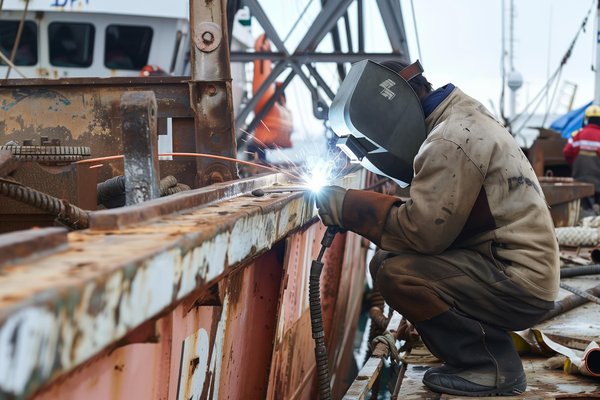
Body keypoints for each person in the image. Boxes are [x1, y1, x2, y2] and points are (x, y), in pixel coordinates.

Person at [316, 61, 559, 397]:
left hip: (517, 282)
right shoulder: (459, 115)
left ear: (399, 101)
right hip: (507, 267)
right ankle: (477, 352)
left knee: (395, 271)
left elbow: (424, 232)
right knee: (389, 257)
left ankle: (489, 364)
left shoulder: (449, 139)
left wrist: (348, 207)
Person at [563, 104, 600, 211]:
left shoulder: (577, 134)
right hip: (598, 176)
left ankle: (586, 207)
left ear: (586, 119)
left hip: (580, 175)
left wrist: (573, 164)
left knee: (582, 197)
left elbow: (567, 152)